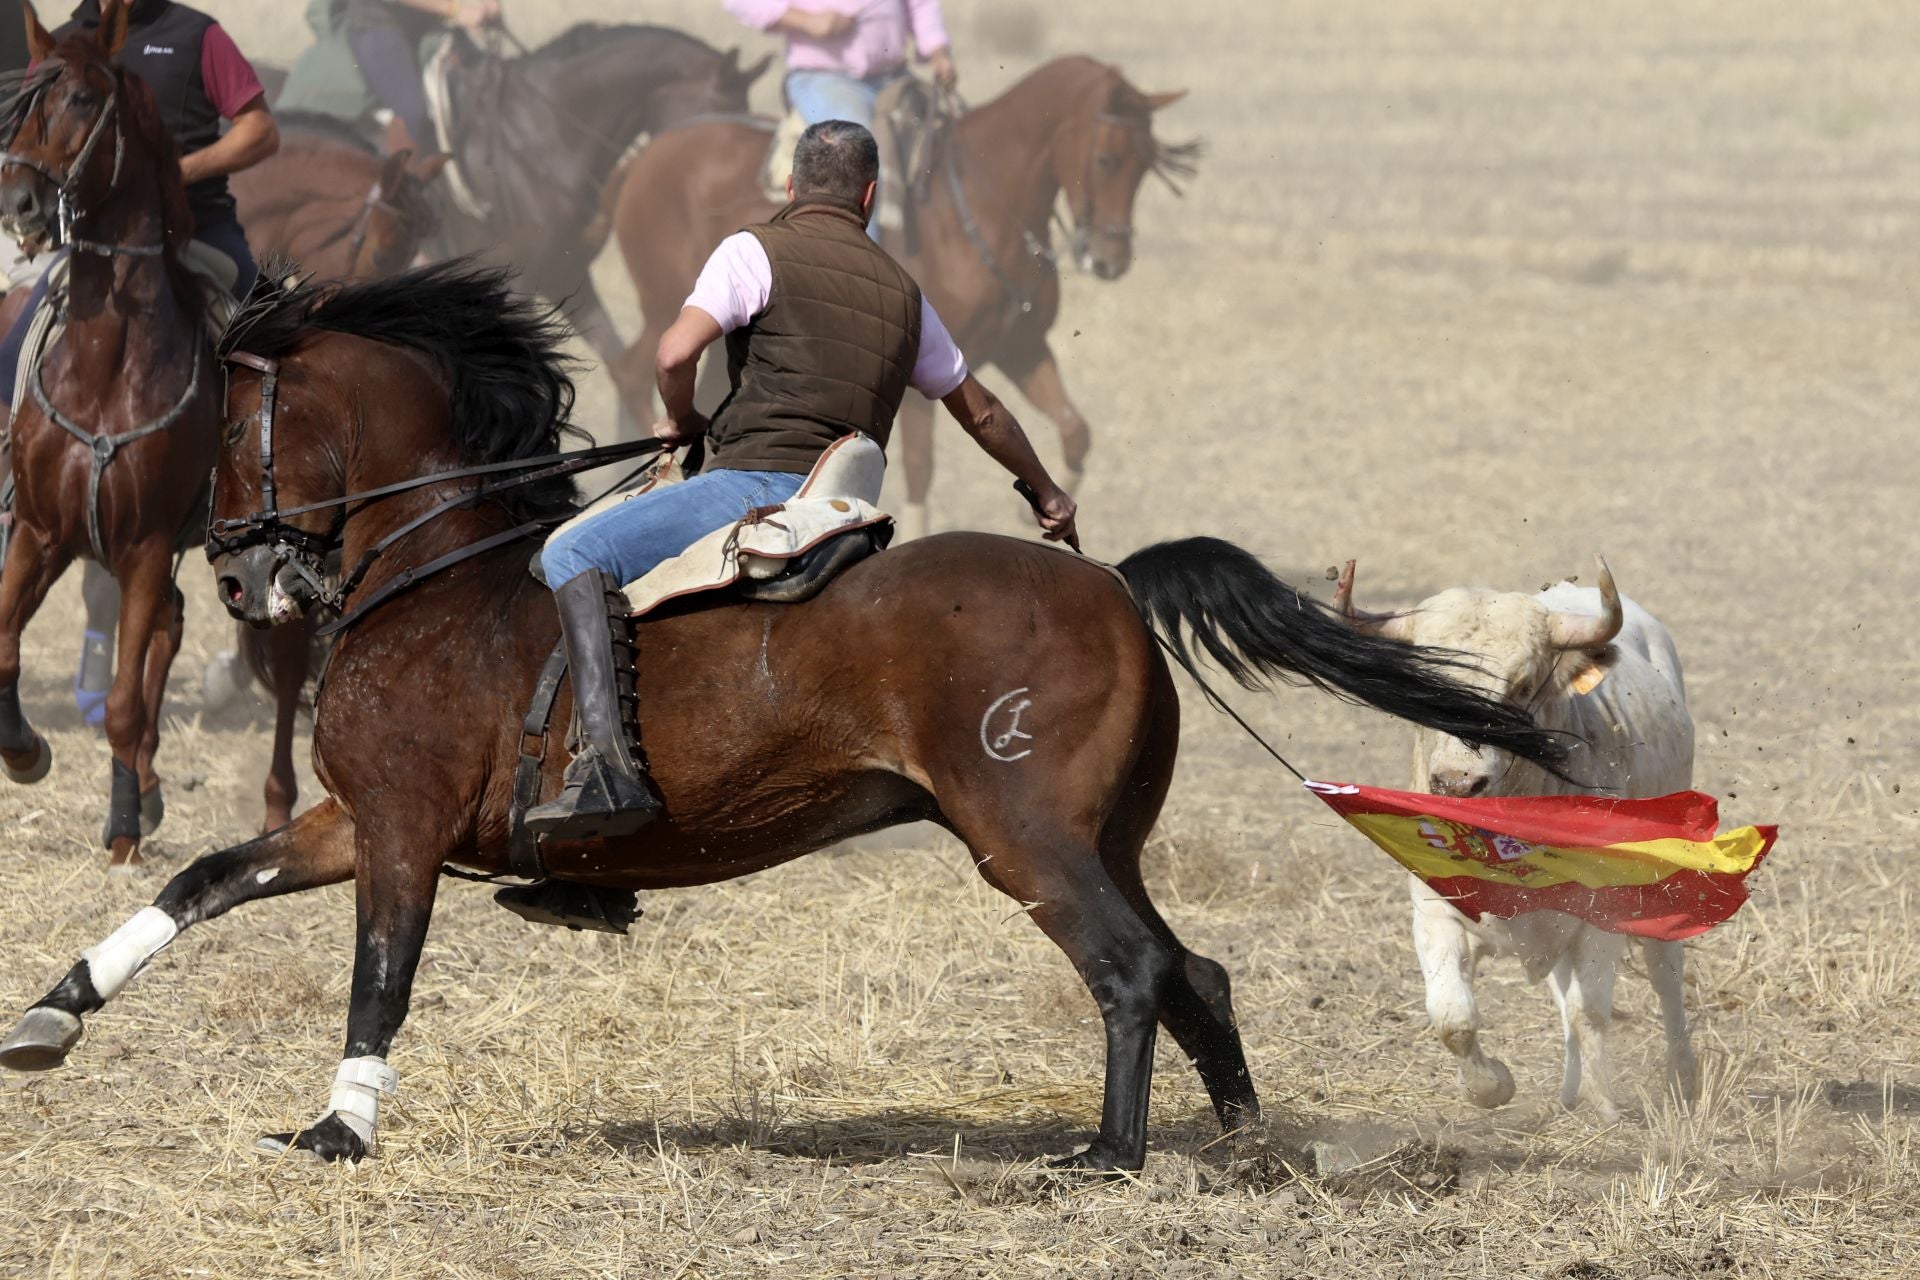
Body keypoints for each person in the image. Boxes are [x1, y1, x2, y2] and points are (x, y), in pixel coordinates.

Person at [524, 119, 1076, 847]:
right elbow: (985, 411)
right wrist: (1046, 491)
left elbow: (672, 351)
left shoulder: (755, 250)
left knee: (570, 556)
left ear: (790, 185)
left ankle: (604, 772)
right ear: (870, 197)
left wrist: (682, 418)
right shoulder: (906, 293)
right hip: (844, 509)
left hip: (752, 484)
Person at [0, 0, 280, 726]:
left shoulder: (199, 36)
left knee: (269, 343)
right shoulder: (69, 38)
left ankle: (269, 509)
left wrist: (177, 167)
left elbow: (259, 130)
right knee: (20, 338)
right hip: (97, 235)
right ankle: (15, 477)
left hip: (199, 226)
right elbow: (36, 124)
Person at [725, 0, 955, 240]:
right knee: (858, 154)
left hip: (893, 78)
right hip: (823, 77)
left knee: (941, 141)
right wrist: (806, 20)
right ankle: (862, 264)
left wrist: (937, 51)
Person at [345, 0, 499, 155]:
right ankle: (409, 175)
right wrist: (456, 9)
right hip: (376, 25)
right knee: (413, 113)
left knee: (487, 79)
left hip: (428, 19)